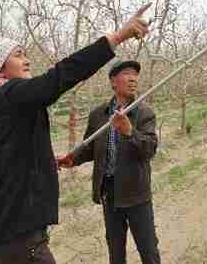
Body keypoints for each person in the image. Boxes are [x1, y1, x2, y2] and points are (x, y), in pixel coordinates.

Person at [0, 4, 150, 264]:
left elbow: (16, 158)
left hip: (17, 237)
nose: (26, 60)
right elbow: (58, 78)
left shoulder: (6, 104)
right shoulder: (7, 95)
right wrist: (116, 38)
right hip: (19, 240)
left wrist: (50, 162)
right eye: (18, 55)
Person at [58, 59, 161, 264]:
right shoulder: (99, 114)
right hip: (109, 193)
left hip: (136, 194)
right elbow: (90, 148)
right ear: (113, 81)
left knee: (148, 249)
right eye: (127, 74)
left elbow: (149, 149)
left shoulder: (144, 113)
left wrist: (129, 132)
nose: (133, 79)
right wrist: (72, 158)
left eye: (135, 75)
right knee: (115, 250)